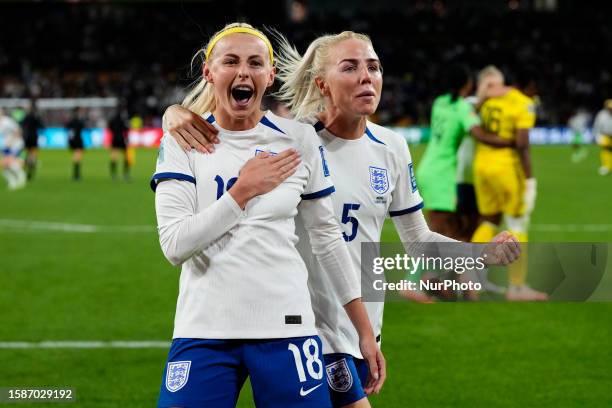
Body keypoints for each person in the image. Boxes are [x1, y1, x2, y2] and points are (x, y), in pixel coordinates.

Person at [163, 31, 520, 407]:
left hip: (359, 323)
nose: (367, 77)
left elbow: (417, 240)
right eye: (350, 67)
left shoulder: (391, 148)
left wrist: (480, 254)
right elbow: (232, 132)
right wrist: (175, 114)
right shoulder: (295, 141)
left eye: (374, 67)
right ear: (322, 83)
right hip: (306, 326)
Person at [152, 23, 383, 408]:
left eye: (255, 63)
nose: (243, 72)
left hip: (287, 328)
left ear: (269, 76)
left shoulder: (298, 139)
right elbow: (175, 246)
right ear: (209, 72)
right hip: (204, 327)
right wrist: (242, 191)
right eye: (231, 62)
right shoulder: (182, 142)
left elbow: (326, 239)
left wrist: (363, 331)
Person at [470, 66, 547, 301]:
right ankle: (517, 288)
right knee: (518, 225)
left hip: (481, 166)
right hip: (506, 169)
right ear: (530, 86)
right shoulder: (523, 102)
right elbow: (522, 144)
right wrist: (530, 179)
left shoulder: (490, 100)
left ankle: (471, 279)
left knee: (489, 221)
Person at [417, 64, 513, 240]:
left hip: (434, 169)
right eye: (490, 86)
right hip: (446, 175)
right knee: (440, 234)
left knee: (454, 231)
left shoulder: (441, 101)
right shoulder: (465, 106)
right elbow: (478, 133)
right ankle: (421, 268)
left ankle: (456, 266)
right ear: (471, 85)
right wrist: (510, 142)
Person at [0, 108, 27, 190]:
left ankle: (21, 178)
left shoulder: (8, 121)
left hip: (16, 145)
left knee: (9, 162)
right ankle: (13, 181)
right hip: (6, 146)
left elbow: (18, 131)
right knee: (5, 165)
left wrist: (12, 141)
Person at [21, 99, 44, 181]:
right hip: (34, 136)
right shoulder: (36, 116)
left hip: (26, 136)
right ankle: (30, 173)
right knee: (33, 154)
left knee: (26, 154)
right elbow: (42, 126)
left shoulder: (26, 116)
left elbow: (21, 124)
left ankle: (23, 170)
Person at [108, 108, 131, 181]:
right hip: (121, 139)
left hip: (114, 139)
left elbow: (109, 127)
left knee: (114, 156)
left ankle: (113, 174)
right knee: (126, 156)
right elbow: (126, 129)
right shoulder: (123, 119)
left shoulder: (112, 120)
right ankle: (126, 174)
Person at [593, 99, 612, 176]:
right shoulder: (601, 114)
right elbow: (597, 125)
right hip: (605, 135)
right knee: (606, 150)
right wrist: (597, 135)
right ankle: (606, 166)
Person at [66, 107, 86, 181]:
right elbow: (83, 127)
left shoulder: (71, 120)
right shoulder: (79, 120)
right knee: (78, 156)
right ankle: (77, 175)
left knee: (75, 156)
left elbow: (67, 128)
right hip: (78, 139)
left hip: (73, 139)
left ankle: (75, 174)